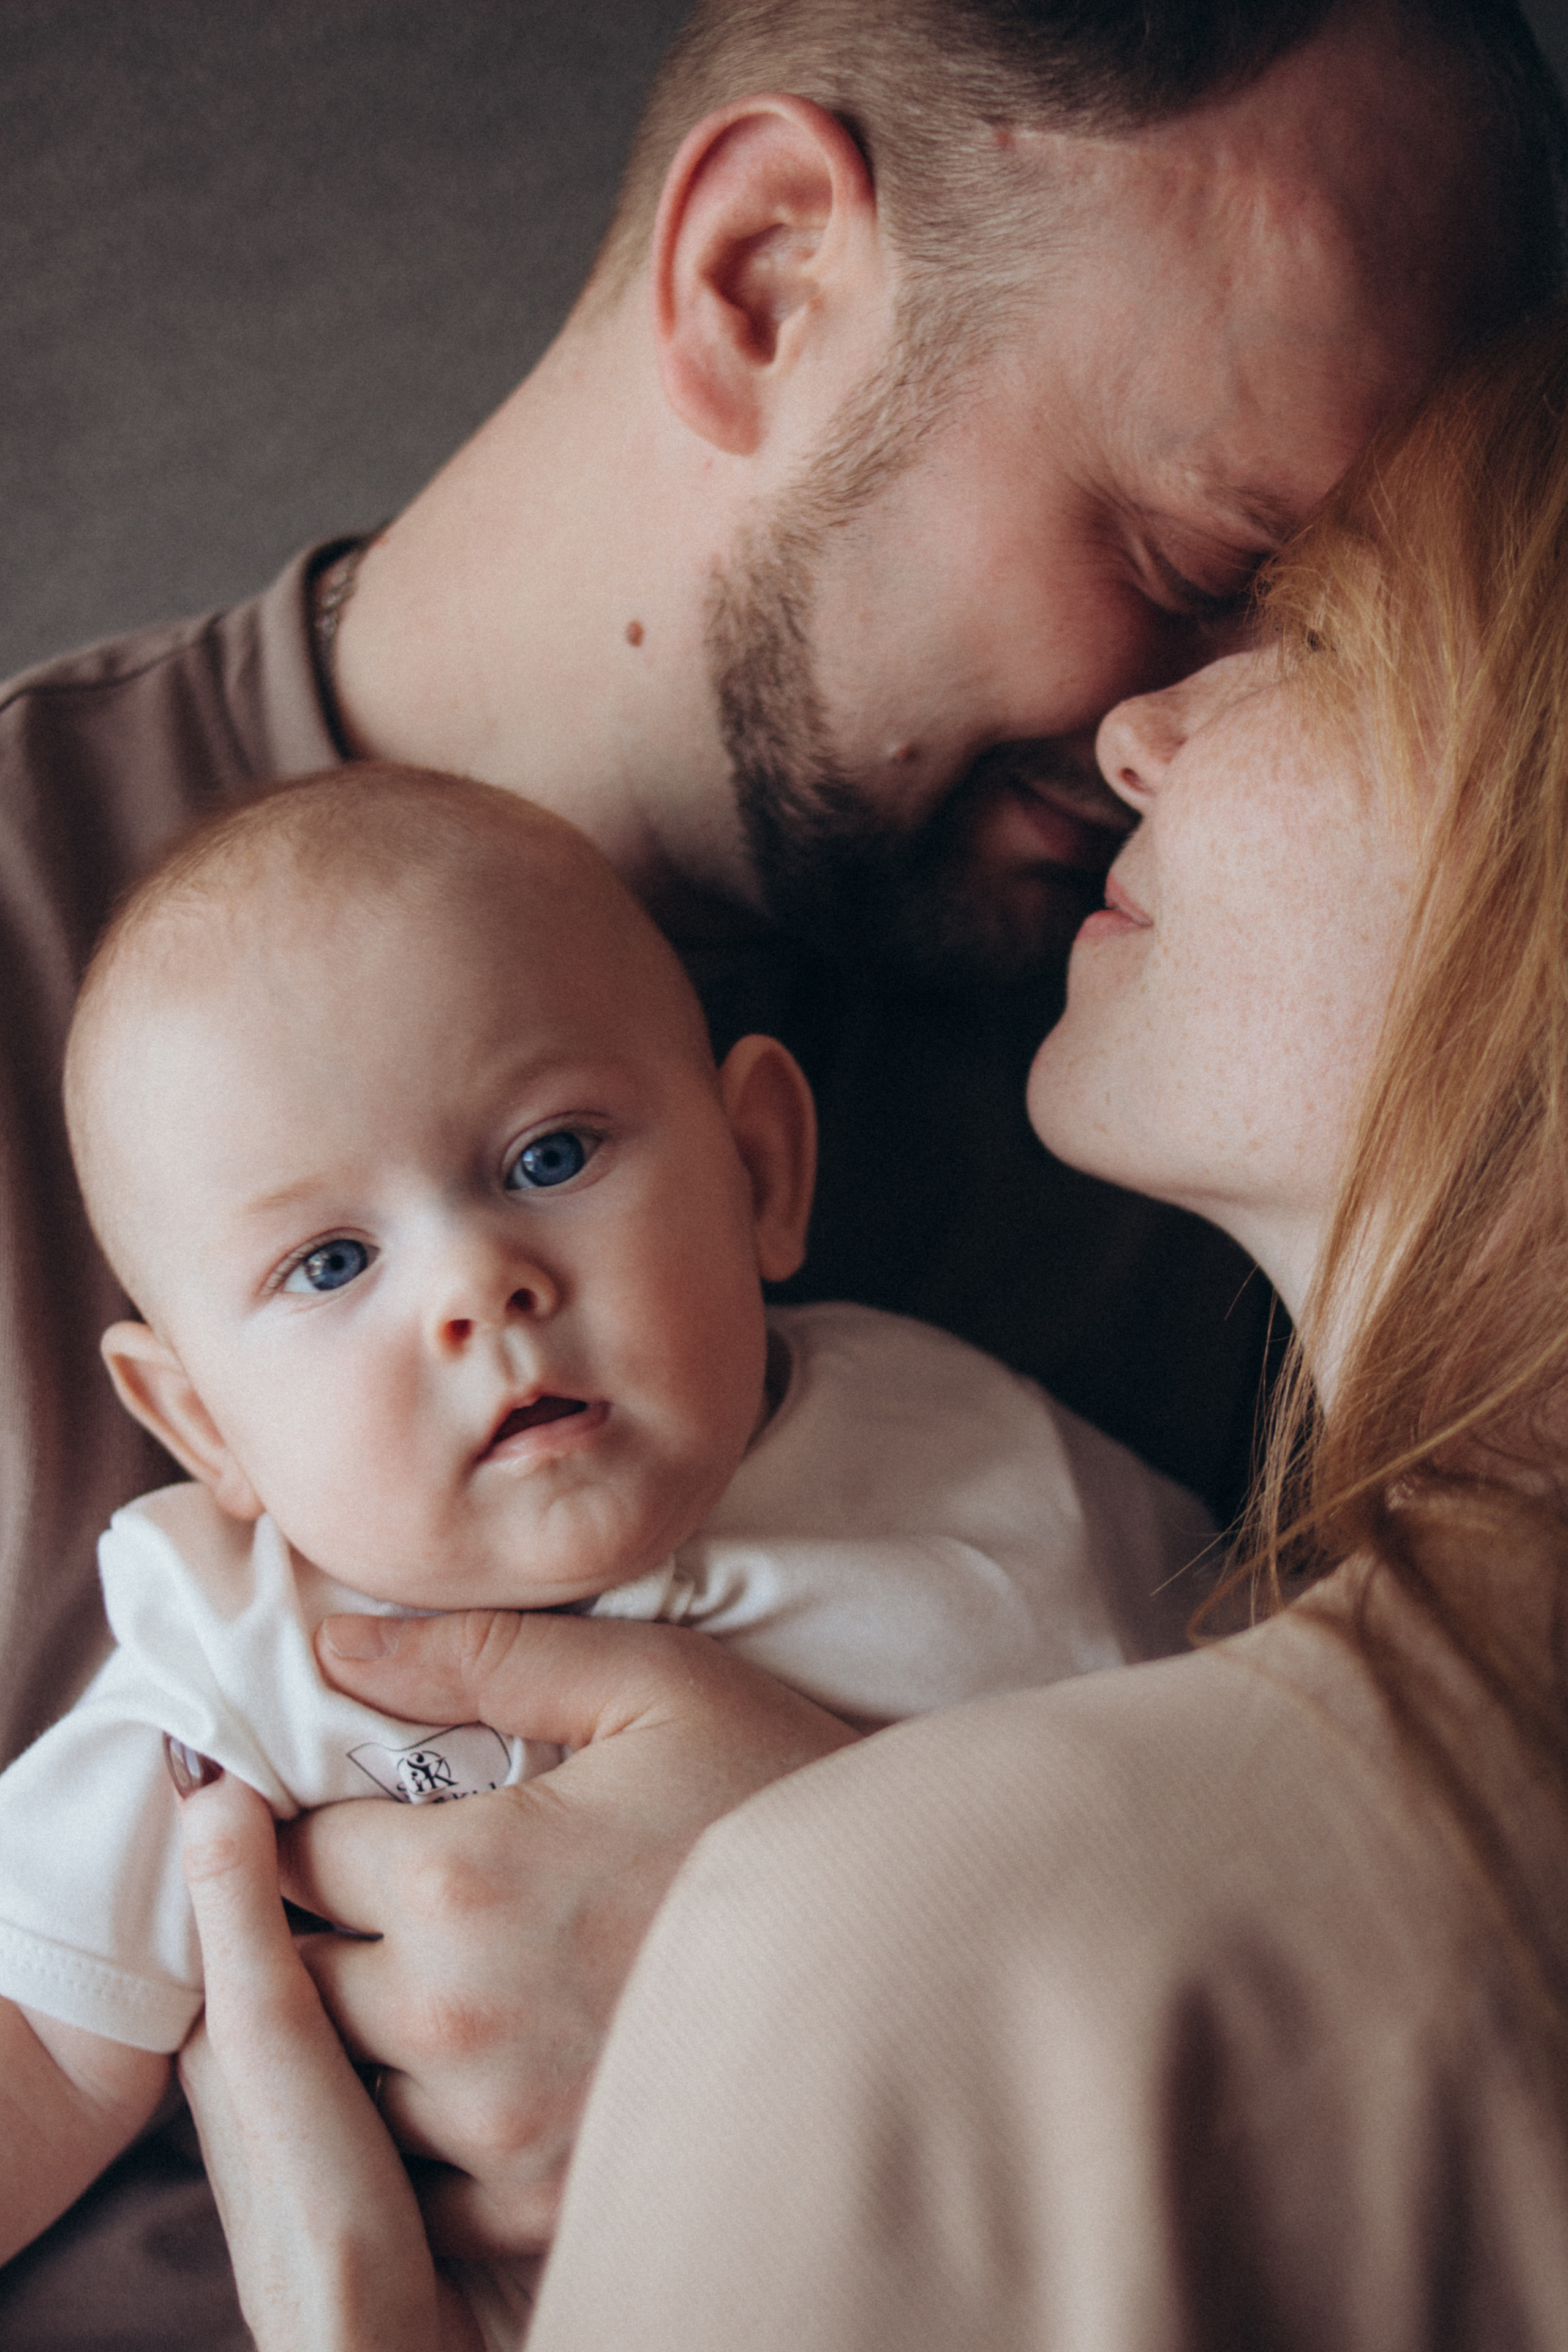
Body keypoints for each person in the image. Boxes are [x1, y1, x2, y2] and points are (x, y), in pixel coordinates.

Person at [0, 1, 1561, 2334]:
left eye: (1342, 629)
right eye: (1199, 550)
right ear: (760, 277)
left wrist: (894, 2011)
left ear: (764, 1166)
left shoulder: (1252, 1074)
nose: (1179, 729)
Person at [0, 763, 1208, 2331]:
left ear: (759, 1170)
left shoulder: (975, 1460)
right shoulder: (240, 1659)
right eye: (331, 1261)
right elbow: (37, 2038)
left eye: (548, 1159)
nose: (476, 1285)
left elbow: (1255, 1790)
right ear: (203, 1425)